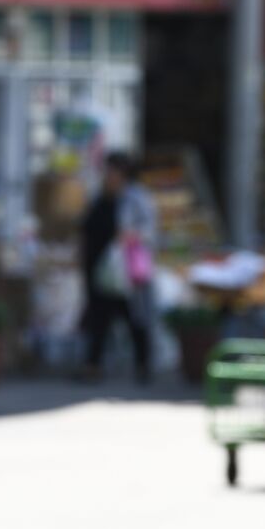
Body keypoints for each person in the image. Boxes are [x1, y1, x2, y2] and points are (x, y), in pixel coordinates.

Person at [80, 151, 157, 383]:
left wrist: (130, 236)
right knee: (98, 319)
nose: (108, 175)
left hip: (124, 269)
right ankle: (93, 366)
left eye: (112, 170)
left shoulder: (136, 198)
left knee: (135, 318)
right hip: (100, 268)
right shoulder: (100, 197)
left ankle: (143, 365)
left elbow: (150, 230)